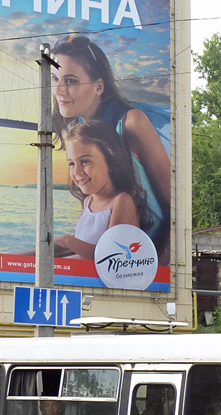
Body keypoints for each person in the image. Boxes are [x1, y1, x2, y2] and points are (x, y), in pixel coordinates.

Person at [50, 34, 170, 262]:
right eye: (55, 79)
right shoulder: (77, 130)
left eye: (71, 80)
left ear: (99, 86)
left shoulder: (131, 122)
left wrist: (159, 271)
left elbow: (173, 209)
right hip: (104, 259)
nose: (59, 91)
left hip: (138, 262)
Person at [54, 120, 149, 260]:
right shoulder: (88, 202)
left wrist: (67, 241)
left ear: (110, 162)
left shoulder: (121, 202)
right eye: (71, 164)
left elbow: (110, 254)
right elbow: (85, 242)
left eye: (85, 161)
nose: (77, 171)